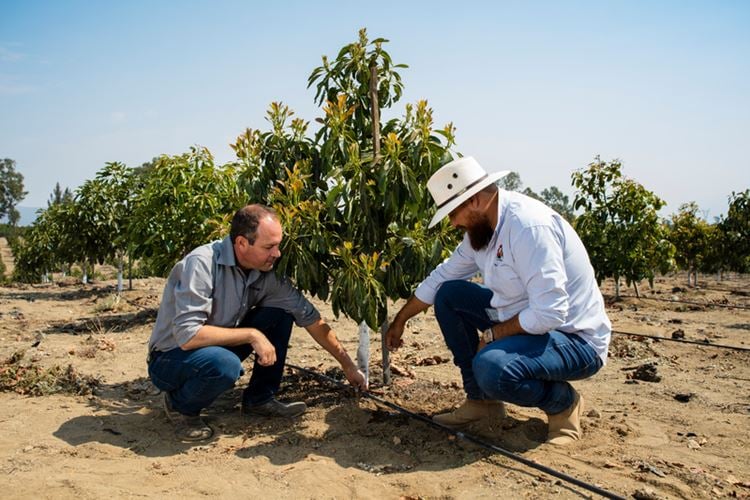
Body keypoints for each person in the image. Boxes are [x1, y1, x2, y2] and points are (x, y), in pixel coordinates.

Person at [385, 156, 611, 445]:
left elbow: (550, 313)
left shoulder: (529, 228)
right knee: (449, 295)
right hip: (528, 322)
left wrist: (493, 335)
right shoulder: (482, 232)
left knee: (492, 367)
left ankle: (563, 404)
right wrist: (401, 319)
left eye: (453, 213)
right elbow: (441, 278)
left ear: (476, 200)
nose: (453, 223)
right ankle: (482, 403)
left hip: (574, 339)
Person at [147, 204, 367, 442]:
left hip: (211, 351)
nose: (277, 253)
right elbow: (188, 335)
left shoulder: (265, 273)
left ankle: (259, 399)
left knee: (280, 314)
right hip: (171, 359)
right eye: (269, 247)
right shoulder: (202, 264)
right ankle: (180, 406)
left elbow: (311, 318)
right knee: (225, 365)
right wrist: (253, 335)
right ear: (242, 243)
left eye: (278, 245)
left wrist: (348, 365)